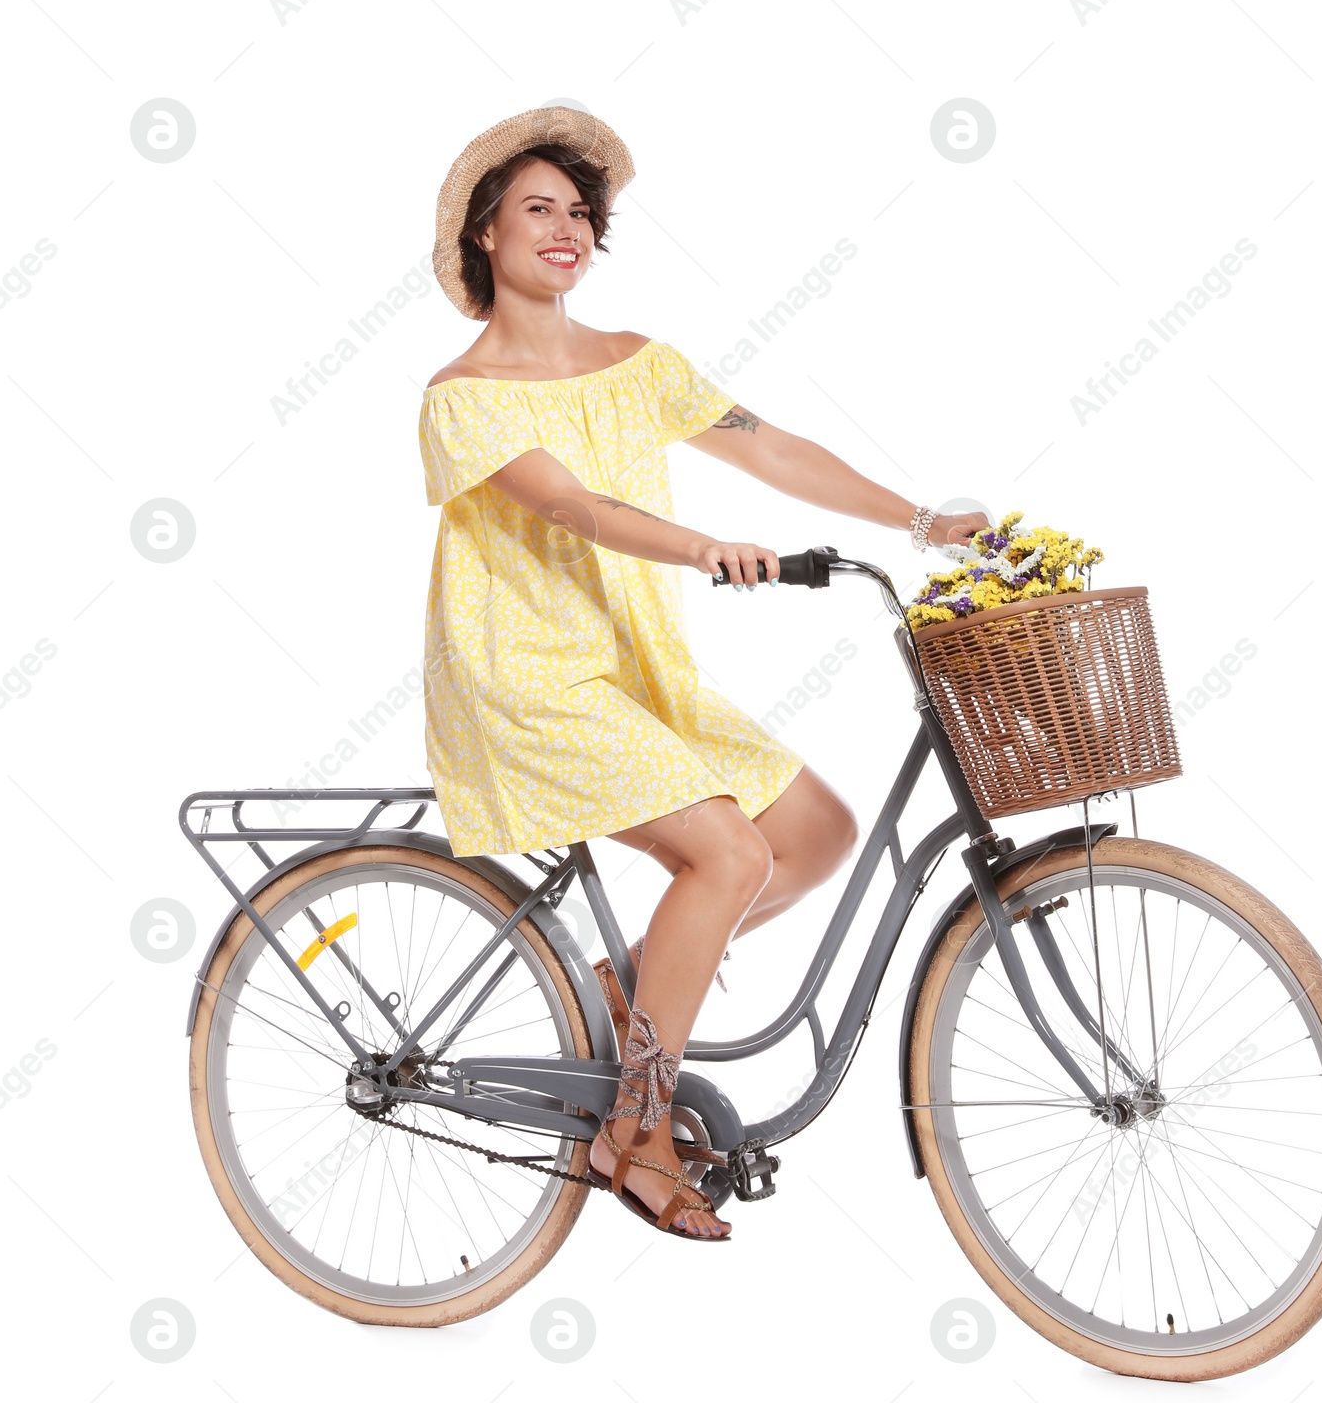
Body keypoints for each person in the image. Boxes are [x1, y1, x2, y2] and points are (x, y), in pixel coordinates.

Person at [420, 106, 988, 1242]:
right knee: (728, 851)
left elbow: (766, 443)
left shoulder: (639, 364)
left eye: (581, 212)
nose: (568, 228)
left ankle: (622, 996)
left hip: (635, 667)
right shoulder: (460, 399)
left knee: (818, 832)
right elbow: (574, 505)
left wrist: (922, 518)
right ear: (486, 233)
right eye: (539, 209)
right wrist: (708, 548)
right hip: (525, 676)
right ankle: (629, 1130)